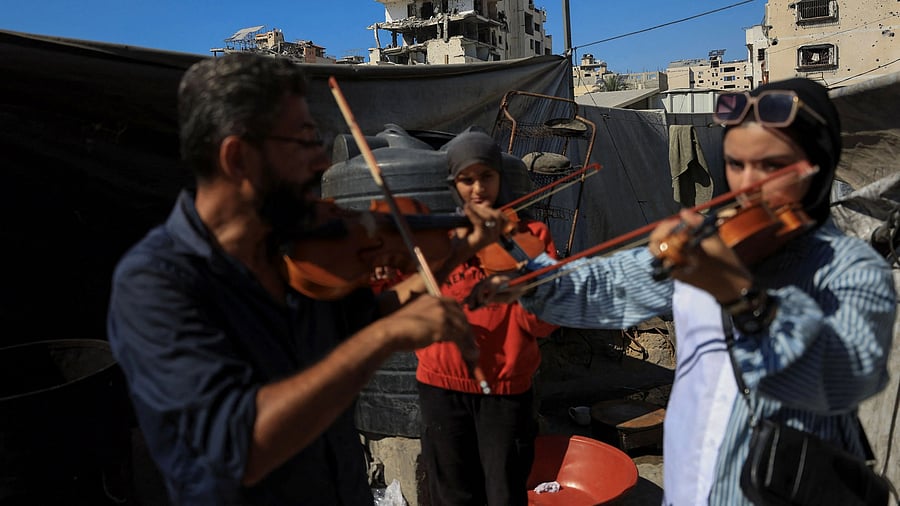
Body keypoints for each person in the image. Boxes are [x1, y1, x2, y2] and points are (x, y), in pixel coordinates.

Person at [469, 78, 896, 505]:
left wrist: (742, 296)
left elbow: (843, 378)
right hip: (692, 483)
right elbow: (594, 290)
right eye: (736, 163)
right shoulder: (711, 244)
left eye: (772, 166)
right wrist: (513, 251)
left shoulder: (851, 269)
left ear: (816, 166)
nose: (748, 185)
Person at [106, 53, 507, 505]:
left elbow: (370, 318)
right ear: (237, 158)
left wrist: (459, 250)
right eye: (303, 143)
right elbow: (241, 447)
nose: (321, 161)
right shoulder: (156, 284)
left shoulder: (298, 254)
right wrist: (385, 337)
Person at [415, 131, 560, 505]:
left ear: (500, 178)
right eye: (467, 179)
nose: (478, 189)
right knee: (452, 494)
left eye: (487, 177)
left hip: (505, 388)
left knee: (505, 494)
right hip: (442, 385)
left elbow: (545, 324)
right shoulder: (438, 238)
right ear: (453, 183)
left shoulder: (530, 235)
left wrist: (528, 288)